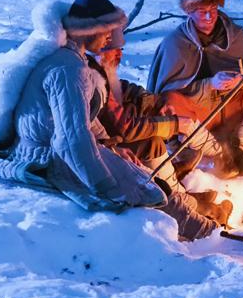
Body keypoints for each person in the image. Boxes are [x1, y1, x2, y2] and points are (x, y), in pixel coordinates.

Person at [0, 0, 219, 241]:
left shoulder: (73, 61)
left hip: (58, 147)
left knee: (140, 174)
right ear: (89, 31)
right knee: (140, 186)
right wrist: (106, 187)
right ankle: (206, 234)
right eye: (105, 32)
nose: (109, 39)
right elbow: (71, 139)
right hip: (47, 157)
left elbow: (85, 119)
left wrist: (109, 146)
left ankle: (202, 224)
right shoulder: (69, 70)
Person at [89, 28, 233, 226]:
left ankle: (198, 181)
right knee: (151, 142)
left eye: (120, 48)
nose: (119, 54)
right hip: (104, 149)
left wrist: (153, 102)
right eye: (114, 49)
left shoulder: (101, 72)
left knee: (164, 121)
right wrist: (174, 125)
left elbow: (124, 88)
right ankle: (192, 205)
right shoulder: (91, 77)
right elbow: (126, 127)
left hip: (108, 140)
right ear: (98, 49)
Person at [147, 0, 243, 178]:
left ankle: (241, 147)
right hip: (199, 115)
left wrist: (241, 79)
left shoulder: (235, 34)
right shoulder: (174, 44)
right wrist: (210, 84)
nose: (209, 16)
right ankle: (219, 154)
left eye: (213, 9)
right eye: (202, 12)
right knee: (170, 101)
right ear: (189, 12)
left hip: (233, 109)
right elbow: (166, 92)